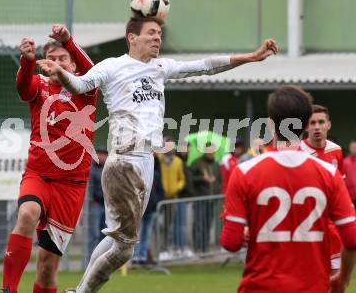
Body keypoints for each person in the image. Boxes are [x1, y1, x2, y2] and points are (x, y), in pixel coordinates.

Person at [37, 16, 278, 293]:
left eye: (160, 34)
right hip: (125, 160)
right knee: (125, 248)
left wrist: (252, 57)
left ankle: (80, 290)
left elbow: (206, 66)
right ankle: (81, 292)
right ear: (132, 38)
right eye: (151, 33)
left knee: (116, 238)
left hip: (146, 161)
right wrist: (62, 73)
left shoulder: (160, 68)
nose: (157, 38)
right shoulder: (113, 66)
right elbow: (80, 86)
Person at [221, 86, 356, 293]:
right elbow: (352, 238)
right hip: (312, 287)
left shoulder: (245, 171)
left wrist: (248, 232)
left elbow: (230, 242)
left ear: (270, 123)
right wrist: (342, 278)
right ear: (306, 124)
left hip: (261, 287)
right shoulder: (328, 173)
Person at [0, 25, 96, 293]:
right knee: (28, 213)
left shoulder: (85, 87)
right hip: (38, 174)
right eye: (50, 59)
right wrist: (27, 61)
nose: (55, 63)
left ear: (73, 66)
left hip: (71, 185)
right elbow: (22, 88)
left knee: (46, 268)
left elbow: (91, 69)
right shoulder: (38, 85)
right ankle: (7, 289)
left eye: (62, 58)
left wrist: (69, 41)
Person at [300, 104, 345, 272]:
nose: (317, 127)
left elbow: (340, 186)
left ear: (328, 124)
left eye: (321, 122)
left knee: (335, 275)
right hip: (306, 224)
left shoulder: (336, 151)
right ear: (306, 126)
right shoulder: (298, 152)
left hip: (331, 223)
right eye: (312, 123)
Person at [132, 155, 163, 265]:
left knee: (146, 234)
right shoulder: (138, 174)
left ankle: (142, 256)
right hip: (139, 208)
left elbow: (160, 191)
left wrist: (157, 203)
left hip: (152, 209)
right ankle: (135, 256)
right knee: (137, 234)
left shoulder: (156, 175)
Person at [191, 145, 221, 253]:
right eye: (208, 151)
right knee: (199, 223)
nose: (211, 153)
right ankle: (197, 246)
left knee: (208, 224)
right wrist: (202, 179)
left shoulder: (217, 165)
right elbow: (191, 179)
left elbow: (219, 181)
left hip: (212, 199)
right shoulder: (197, 163)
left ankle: (205, 246)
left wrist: (217, 191)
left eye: (212, 151)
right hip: (200, 198)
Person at [87, 148, 108, 259]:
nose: (102, 157)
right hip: (95, 205)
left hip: (107, 206)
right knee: (93, 234)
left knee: (104, 234)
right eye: (100, 154)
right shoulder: (91, 169)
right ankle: (89, 258)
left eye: (104, 155)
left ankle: (100, 259)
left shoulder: (108, 168)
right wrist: (92, 200)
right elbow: (89, 188)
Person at [343, 139, 356, 208]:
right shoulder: (345, 162)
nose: (354, 149)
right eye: (352, 147)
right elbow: (342, 178)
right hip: (349, 196)